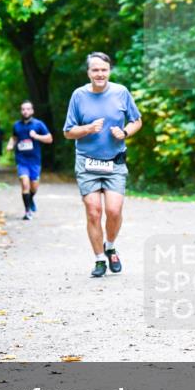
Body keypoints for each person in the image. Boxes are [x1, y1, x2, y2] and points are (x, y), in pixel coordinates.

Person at [62, 52, 142, 278]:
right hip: (87, 162)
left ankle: (111, 246)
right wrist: (87, 129)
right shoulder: (78, 96)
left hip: (114, 162)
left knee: (114, 211)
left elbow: (137, 120)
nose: (99, 74)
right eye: (95, 70)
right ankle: (99, 259)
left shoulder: (120, 92)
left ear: (109, 71)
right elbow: (68, 132)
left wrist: (124, 132)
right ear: (88, 73)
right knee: (93, 211)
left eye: (103, 70)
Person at [6, 101, 52, 220]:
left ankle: (30, 198)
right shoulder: (16, 125)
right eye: (23, 109)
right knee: (25, 184)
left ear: (32, 111)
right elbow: (14, 137)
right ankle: (27, 212)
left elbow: (49, 139)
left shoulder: (38, 124)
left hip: (35, 160)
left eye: (28, 109)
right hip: (21, 160)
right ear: (21, 111)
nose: (25, 111)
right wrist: (10, 145)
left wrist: (36, 136)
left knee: (34, 187)